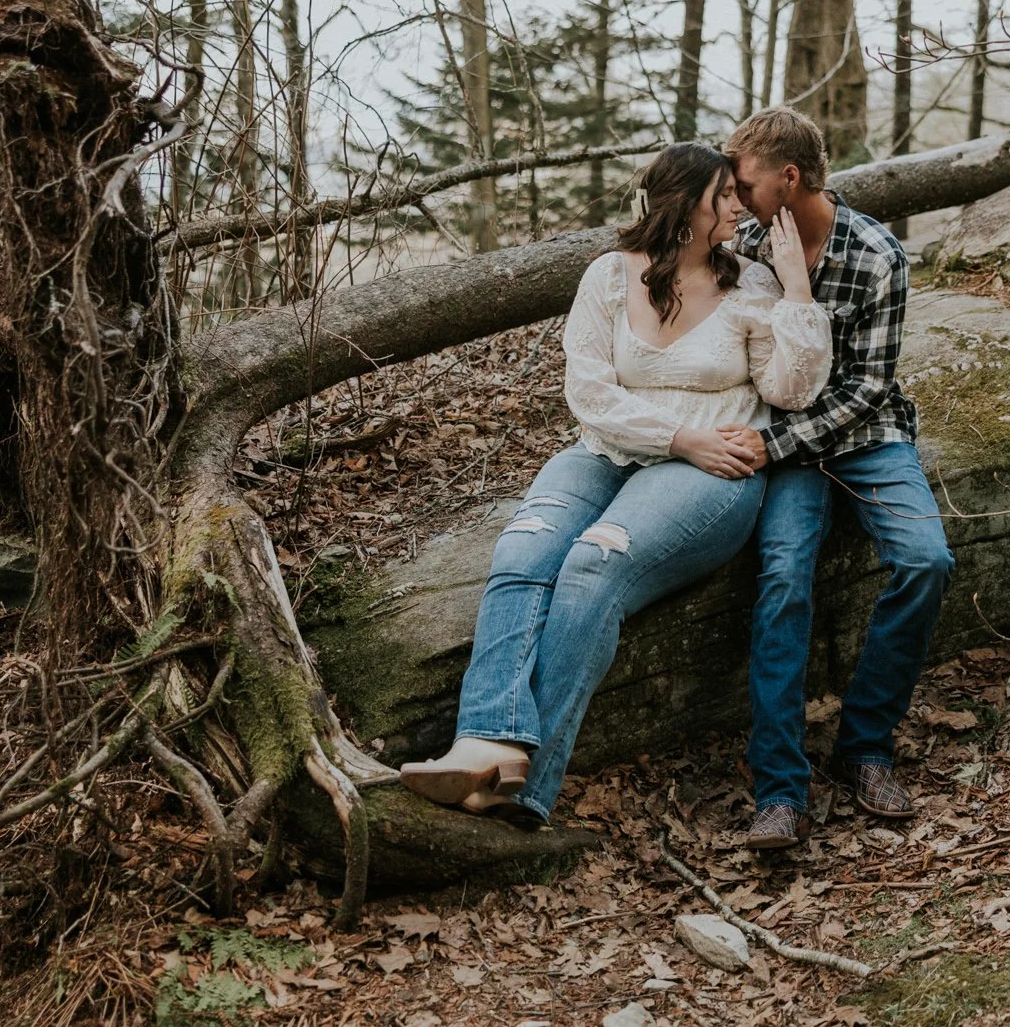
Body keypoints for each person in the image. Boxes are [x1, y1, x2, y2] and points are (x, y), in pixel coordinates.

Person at [399, 143, 833, 826]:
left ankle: (524, 790)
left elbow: (792, 389)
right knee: (523, 548)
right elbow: (590, 394)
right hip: (607, 451)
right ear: (684, 204)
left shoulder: (751, 282)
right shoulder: (609, 275)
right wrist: (676, 434)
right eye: (723, 195)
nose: (737, 208)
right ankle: (485, 742)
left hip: (712, 469)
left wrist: (797, 292)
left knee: (593, 564)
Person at [721, 106, 955, 851]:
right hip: (785, 446)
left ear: (789, 178)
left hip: (863, 439)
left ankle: (865, 746)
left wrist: (772, 445)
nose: (735, 197)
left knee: (927, 560)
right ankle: (780, 791)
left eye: (745, 184)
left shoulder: (878, 254)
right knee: (784, 575)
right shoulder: (745, 245)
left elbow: (869, 390)